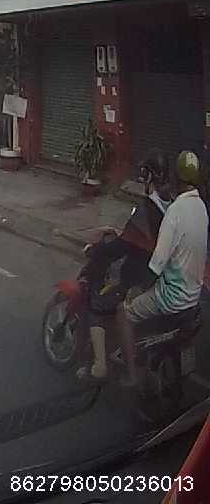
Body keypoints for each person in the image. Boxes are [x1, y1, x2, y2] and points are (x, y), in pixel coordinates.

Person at [116, 150, 208, 387]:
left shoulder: (175, 212)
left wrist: (136, 290)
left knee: (123, 313)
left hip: (171, 298)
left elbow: (156, 264)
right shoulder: (201, 208)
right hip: (193, 296)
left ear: (176, 178)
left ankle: (132, 376)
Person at [77, 151, 171, 380]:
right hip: (161, 274)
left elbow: (120, 248)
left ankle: (100, 366)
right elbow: (139, 239)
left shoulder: (147, 208)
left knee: (96, 303)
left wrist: (95, 250)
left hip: (140, 277)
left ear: (149, 176)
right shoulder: (171, 204)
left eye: (144, 174)